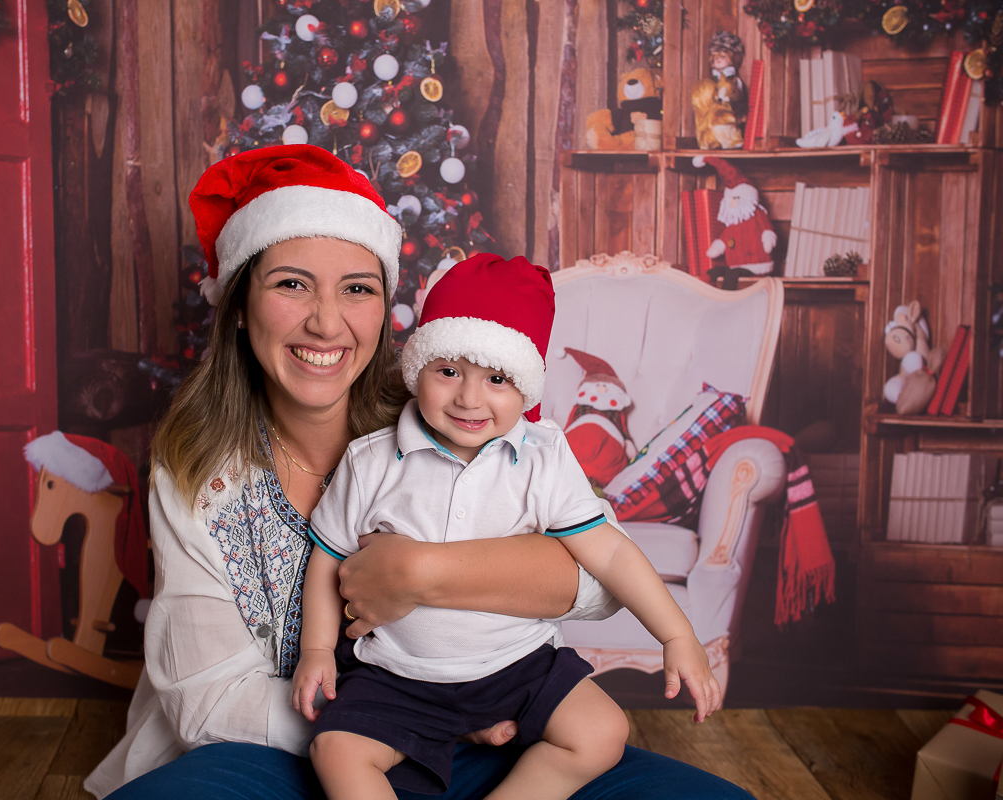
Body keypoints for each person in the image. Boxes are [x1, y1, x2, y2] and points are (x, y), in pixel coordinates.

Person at [88, 143, 755, 800]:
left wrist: (420, 573)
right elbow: (210, 703)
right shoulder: (198, 470)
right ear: (238, 305)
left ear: (387, 312)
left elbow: (598, 580)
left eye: (357, 289)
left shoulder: (456, 419)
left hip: (498, 723)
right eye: (291, 284)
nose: (326, 322)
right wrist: (410, 726)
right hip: (300, 746)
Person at [292, 254, 720, 800]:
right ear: (417, 367)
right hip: (398, 675)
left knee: (602, 731)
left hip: (515, 666)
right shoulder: (371, 461)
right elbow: (326, 558)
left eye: (496, 378)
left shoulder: (544, 457)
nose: (469, 398)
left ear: (527, 384)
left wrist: (677, 634)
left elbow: (609, 554)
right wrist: (318, 652)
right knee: (337, 751)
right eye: (448, 372)